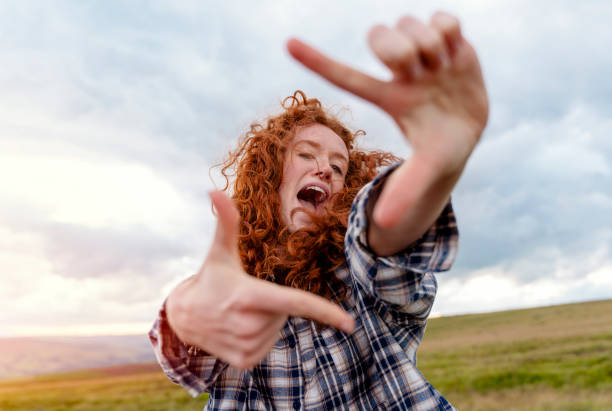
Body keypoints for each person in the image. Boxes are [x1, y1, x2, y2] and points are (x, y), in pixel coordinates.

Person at [150, 11, 488, 410]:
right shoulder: (234, 288)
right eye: (306, 154)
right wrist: (186, 311)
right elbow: (185, 346)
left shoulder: (360, 273)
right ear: (270, 176)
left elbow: (383, 237)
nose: (324, 168)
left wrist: (434, 167)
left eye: (339, 166)